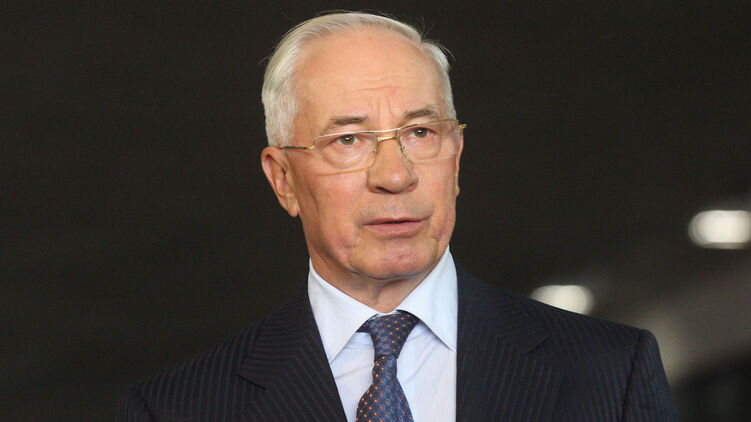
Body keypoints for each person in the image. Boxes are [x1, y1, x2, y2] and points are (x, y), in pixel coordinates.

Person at [117, 11, 680, 422]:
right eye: (348, 139)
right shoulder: (176, 409)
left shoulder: (612, 372)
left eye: (420, 132)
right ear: (283, 179)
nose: (395, 174)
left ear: (456, 157)